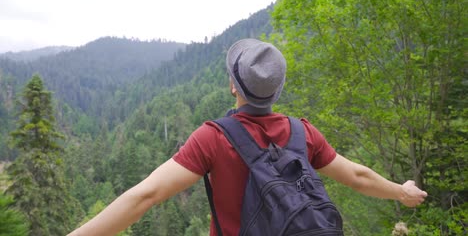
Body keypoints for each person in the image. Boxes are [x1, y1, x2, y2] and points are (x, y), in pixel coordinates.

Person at [68, 38, 427, 236]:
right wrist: (402, 191)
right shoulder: (303, 133)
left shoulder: (212, 138)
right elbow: (359, 178)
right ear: (277, 91)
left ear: (232, 86)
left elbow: (145, 196)